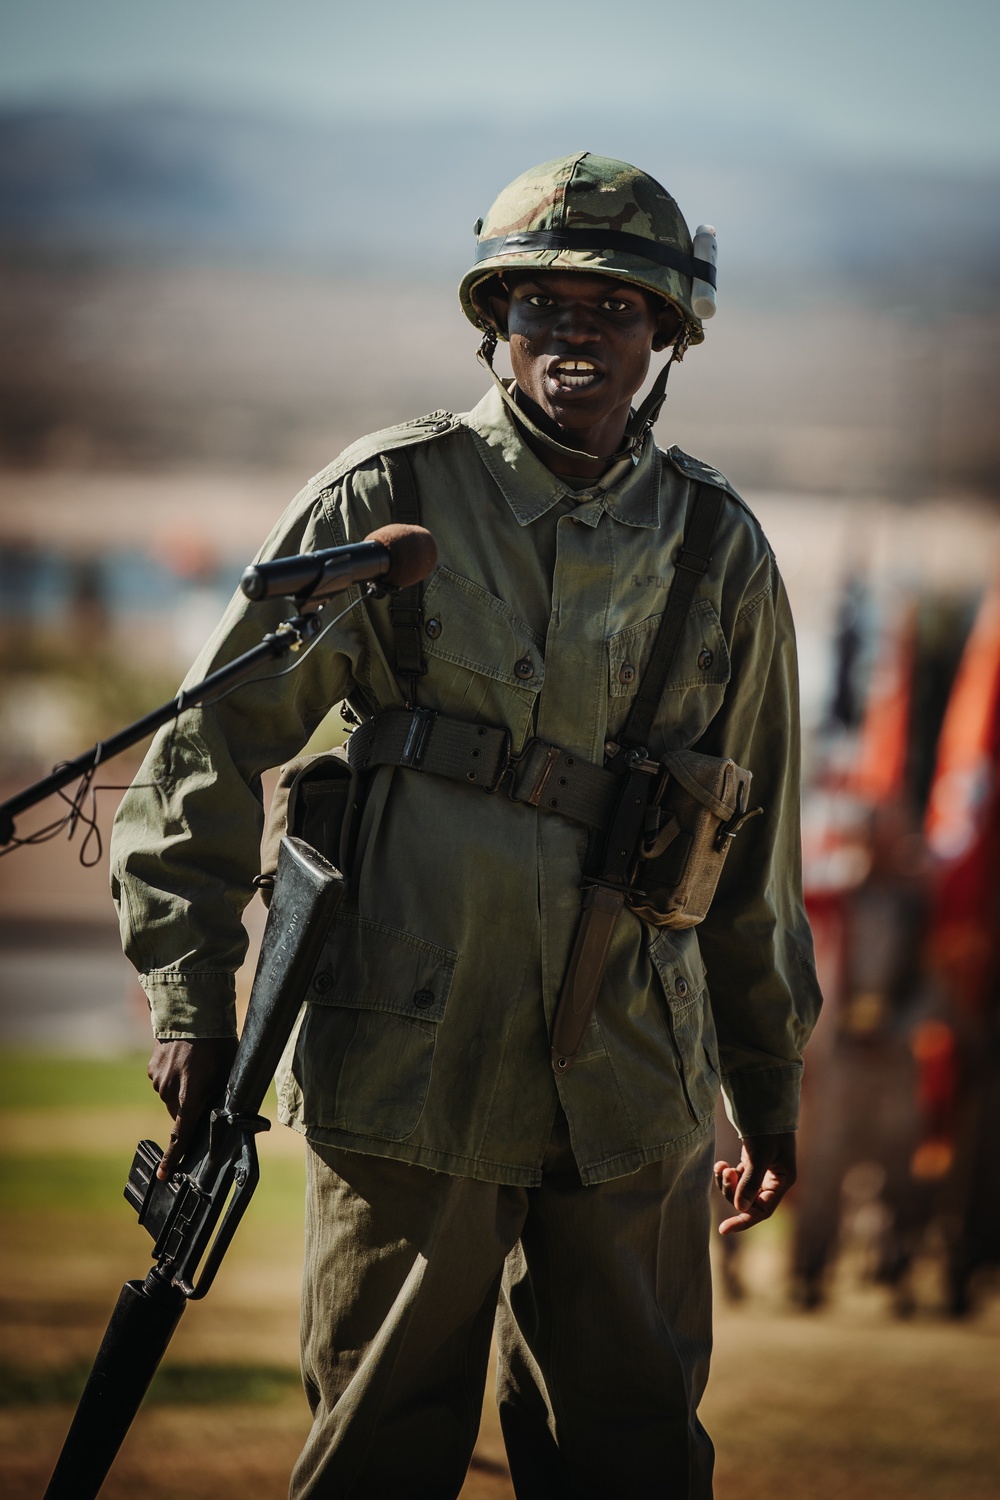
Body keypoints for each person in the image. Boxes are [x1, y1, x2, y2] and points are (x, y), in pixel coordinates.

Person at [111, 152, 821, 1499]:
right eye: (542, 303)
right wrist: (191, 997)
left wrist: (768, 1083)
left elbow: (758, 847)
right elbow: (204, 748)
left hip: (632, 1085)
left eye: (614, 309)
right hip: (411, 1069)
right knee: (377, 1455)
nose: (575, 336)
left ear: (668, 335)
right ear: (493, 318)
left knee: (637, 1462)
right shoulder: (391, 502)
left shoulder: (717, 551)